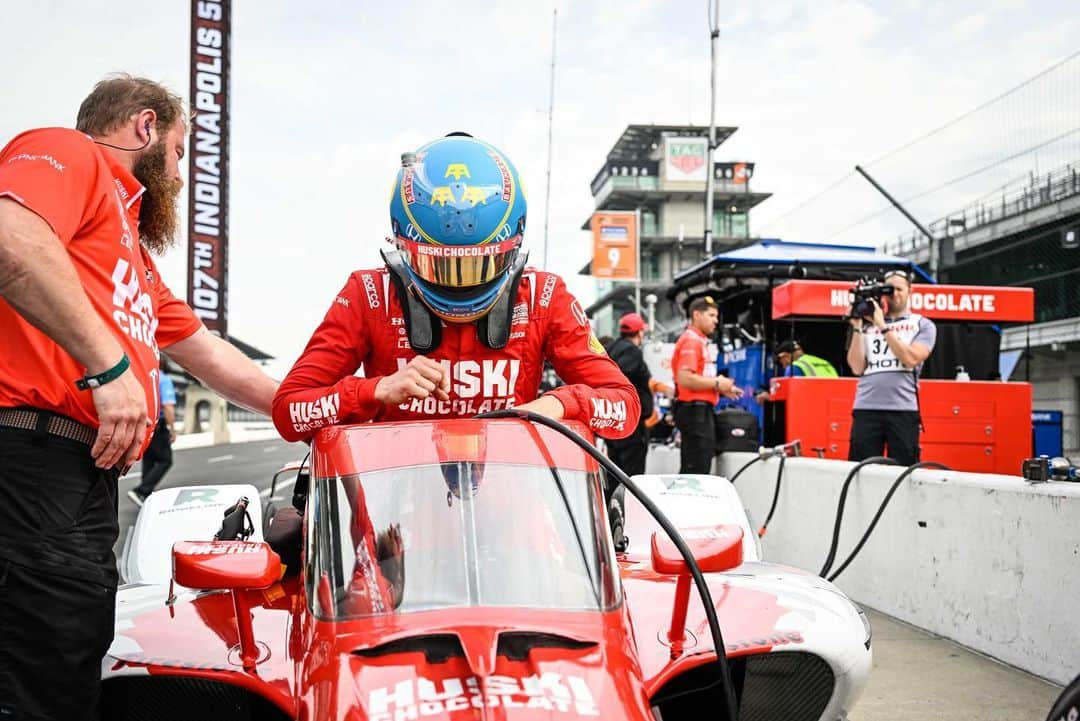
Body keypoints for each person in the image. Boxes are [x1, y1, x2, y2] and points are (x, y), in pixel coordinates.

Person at [0, 74, 279, 721]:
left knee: (69, 672)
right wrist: (109, 365)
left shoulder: (136, 259)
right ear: (144, 127)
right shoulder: (71, 155)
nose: (178, 178)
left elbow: (215, 359)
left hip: (76, 485)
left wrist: (326, 410)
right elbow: (11, 239)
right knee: (36, 691)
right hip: (27, 461)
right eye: (179, 153)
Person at [271, 133, 639, 443]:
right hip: (396, 511)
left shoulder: (544, 296)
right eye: (441, 265)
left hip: (512, 506)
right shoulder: (369, 294)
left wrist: (557, 405)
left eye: (481, 263)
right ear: (402, 245)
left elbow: (625, 407)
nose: (460, 284)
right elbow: (289, 411)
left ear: (513, 245)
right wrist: (377, 389)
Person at [846, 269, 936, 465]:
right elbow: (856, 367)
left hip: (902, 409)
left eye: (899, 289)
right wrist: (857, 327)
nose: (894, 294)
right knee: (861, 469)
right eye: (889, 290)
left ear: (910, 291)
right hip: (866, 407)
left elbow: (911, 359)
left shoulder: (922, 324)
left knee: (903, 471)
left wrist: (883, 326)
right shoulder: (868, 325)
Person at [671, 296, 742, 474]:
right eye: (711, 315)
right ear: (696, 315)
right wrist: (718, 382)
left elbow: (697, 378)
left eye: (716, 316)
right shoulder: (692, 341)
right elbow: (685, 379)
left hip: (699, 411)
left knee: (698, 465)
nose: (716, 321)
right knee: (696, 468)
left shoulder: (699, 341)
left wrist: (721, 387)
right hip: (695, 412)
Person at [604, 312, 668, 479]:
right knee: (632, 477)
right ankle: (627, 504)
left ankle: (613, 503)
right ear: (640, 332)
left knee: (614, 472)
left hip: (614, 419)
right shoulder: (632, 351)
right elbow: (619, 376)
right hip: (631, 423)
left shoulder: (610, 348)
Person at [127, 360, 177, 505]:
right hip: (157, 424)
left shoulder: (144, 377)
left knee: (149, 459)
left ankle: (145, 495)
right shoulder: (163, 379)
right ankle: (141, 490)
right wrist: (172, 429)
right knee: (165, 460)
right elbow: (167, 406)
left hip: (143, 422)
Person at [754, 339, 838, 403]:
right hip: (834, 405)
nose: (783, 367)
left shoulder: (795, 367)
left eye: (781, 363)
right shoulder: (824, 362)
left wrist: (768, 397)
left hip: (812, 407)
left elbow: (791, 396)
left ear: (785, 356)